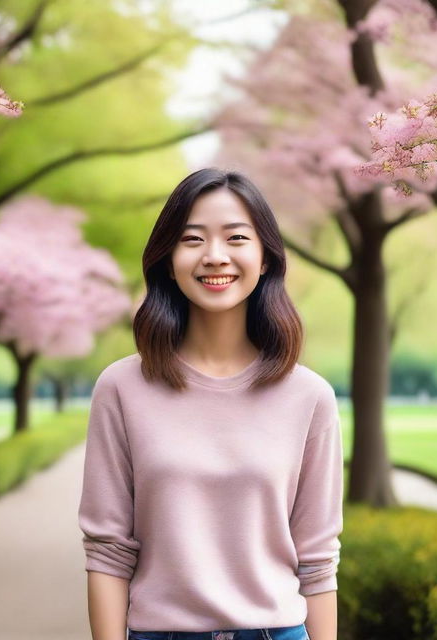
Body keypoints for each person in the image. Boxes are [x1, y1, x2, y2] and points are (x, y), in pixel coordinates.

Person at [78, 167, 344, 640]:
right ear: (167, 259)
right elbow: (108, 550)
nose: (215, 256)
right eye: (193, 239)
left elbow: (318, 563)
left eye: (237, 237)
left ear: (264, 258)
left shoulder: (309, 397)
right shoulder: (121, 387)